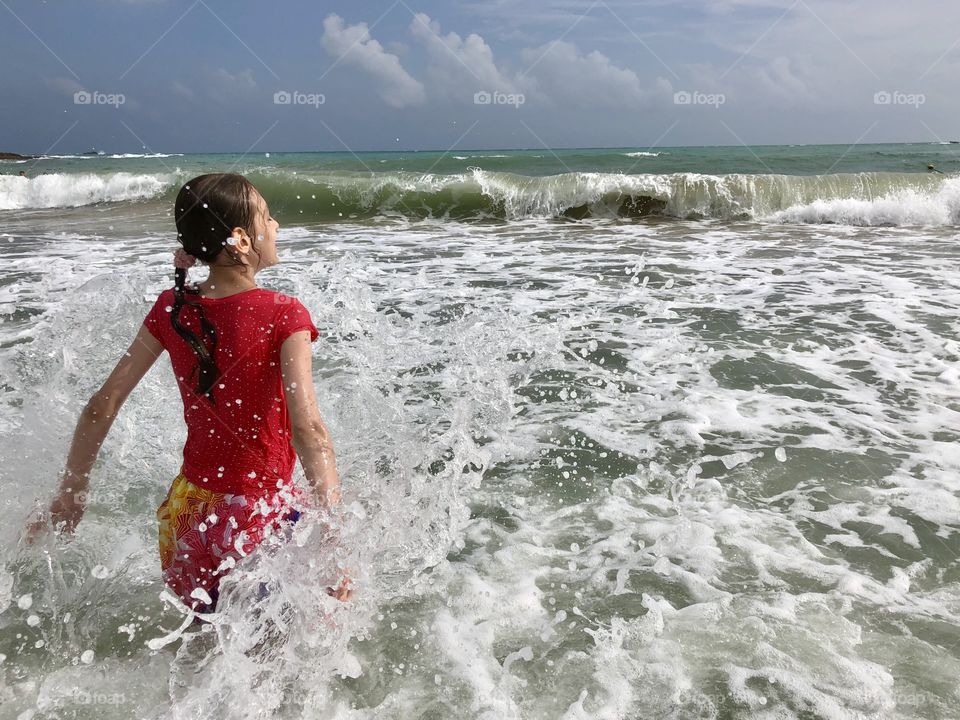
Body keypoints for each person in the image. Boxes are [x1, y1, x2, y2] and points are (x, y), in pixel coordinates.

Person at [26, 173, 351, 612]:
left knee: (200, 644)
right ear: (240, 239)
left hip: (188, 513)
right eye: (267, 218)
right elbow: (308, 427)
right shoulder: (284, 313)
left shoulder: (172, 307)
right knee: (275, 655)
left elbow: (103, 406)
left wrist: (70, 491)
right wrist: (334, 536)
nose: (275, 226)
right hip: (260, 519)